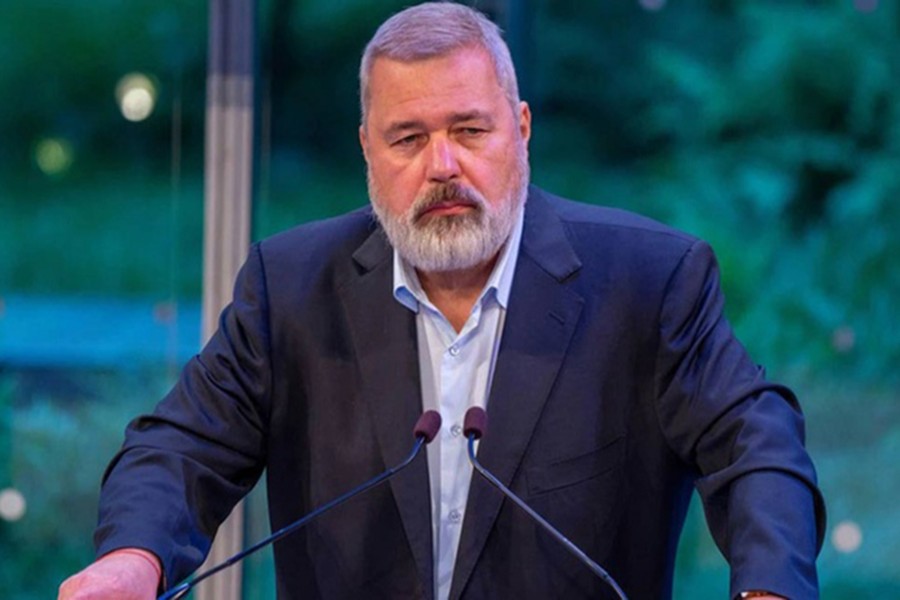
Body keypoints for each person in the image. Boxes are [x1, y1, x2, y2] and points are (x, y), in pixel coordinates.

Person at [58, 3, 825, 599]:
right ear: (367, 148)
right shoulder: (290, 287)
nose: (443, 165)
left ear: (519, 130)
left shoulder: (649, 280)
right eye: (408, 138)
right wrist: (132, 560)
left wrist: (768, 586)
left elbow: (755, 446)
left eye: (469, 129)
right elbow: (180, 445)